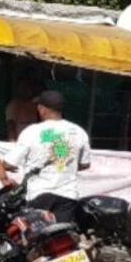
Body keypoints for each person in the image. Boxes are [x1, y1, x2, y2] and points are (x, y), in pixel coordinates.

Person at [14, 91, 92, 220]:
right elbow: (85, 164)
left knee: (37, 231)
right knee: (62, 231)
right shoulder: (79, 131)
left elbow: (10, 162)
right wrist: (65, 165)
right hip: (67, 195)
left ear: (42, 109)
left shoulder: (32, 131)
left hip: (38, 193)